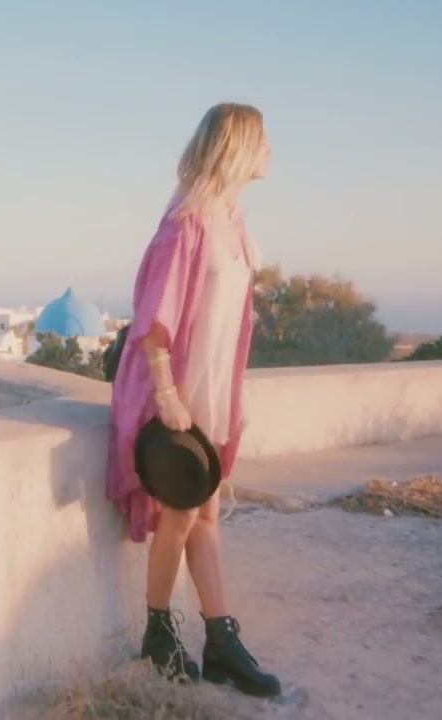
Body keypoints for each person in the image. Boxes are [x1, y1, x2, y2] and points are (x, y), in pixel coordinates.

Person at [106, 102, 282, 698]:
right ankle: (158, 634)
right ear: (237, 145)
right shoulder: (187, 222)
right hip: (177, 392)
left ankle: (221, 641)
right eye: (262, 140)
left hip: (212, 392)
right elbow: (154, 317)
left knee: (205, 515)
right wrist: (166, 394)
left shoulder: (233, 222)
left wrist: (229, 397)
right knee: (180, 514)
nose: (271, 152)